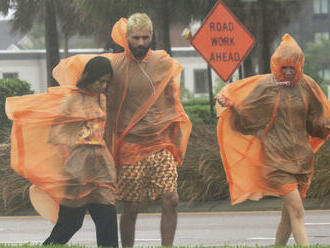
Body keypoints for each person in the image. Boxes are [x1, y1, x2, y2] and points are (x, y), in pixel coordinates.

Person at [215, 33, 330, 246]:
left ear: (299, 65)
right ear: (276, 65)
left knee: (288, 215)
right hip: (275, 160)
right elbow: (247, 117)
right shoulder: (267, 86)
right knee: (296, 209)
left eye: (291, 67)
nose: (287, 72)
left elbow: (317, 120)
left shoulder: (308, 86)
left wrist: (325, 126)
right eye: (283, 67)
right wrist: (232, 107)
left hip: (302, 160)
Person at [6, 56, 118, 247]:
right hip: (77, 170)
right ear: (89, 77)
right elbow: (56, 134)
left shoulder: (102, 99)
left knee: (107, 216)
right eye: (100, 80)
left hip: (101, 168)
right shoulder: (72, 100)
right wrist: (86, 137)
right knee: (71, 222)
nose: (103, 85)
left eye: (107, 81)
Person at [104, 13, 192, 247]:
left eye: (145, 37)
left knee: (171, 199)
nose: (141, 42)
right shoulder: (115, 65)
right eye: (135, 38)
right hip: (130, 146)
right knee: (131, 207)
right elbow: (97, 93)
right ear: (127, 38)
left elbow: (173, 102)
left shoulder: (163, 61)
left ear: (152, 36)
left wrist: (177, 139)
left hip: (160, 143)